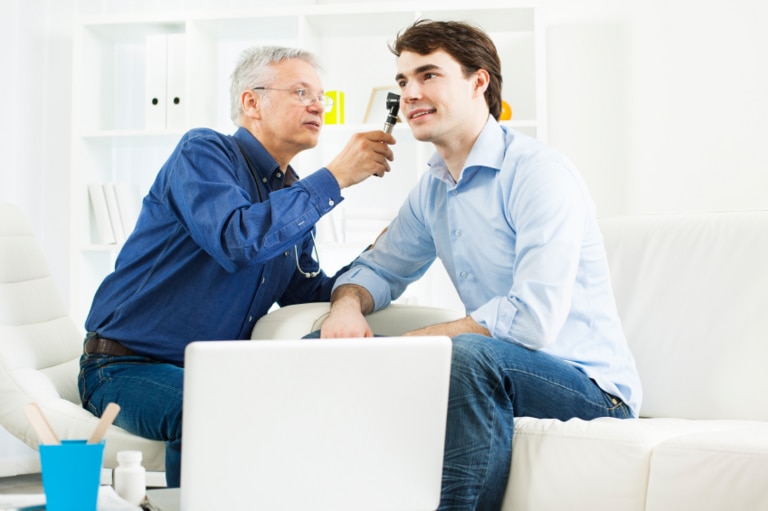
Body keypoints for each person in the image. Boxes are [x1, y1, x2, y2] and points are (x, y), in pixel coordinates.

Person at [320, 20, 642, 510]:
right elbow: (379, 269)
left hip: (591, 389)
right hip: (501, 367)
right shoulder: (432, 189)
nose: (410, 93)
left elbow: (531, 319)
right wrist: (345, 307)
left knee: (468, 355)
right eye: (403, 81)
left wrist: (408, 347)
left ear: (478, 82)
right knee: (312, 349)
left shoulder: (538, 174)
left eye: (428, 76)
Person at [78, 45, 395, 487]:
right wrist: (336, 176)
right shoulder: (203, 152)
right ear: (252, 103)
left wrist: (379, 259)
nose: (317, 105)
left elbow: (307, 291)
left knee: (307, 399)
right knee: (215, 408)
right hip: (123, 369)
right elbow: (238, 240)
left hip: (212, 370)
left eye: (321, 96)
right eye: (302, 92)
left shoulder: (291, 193)